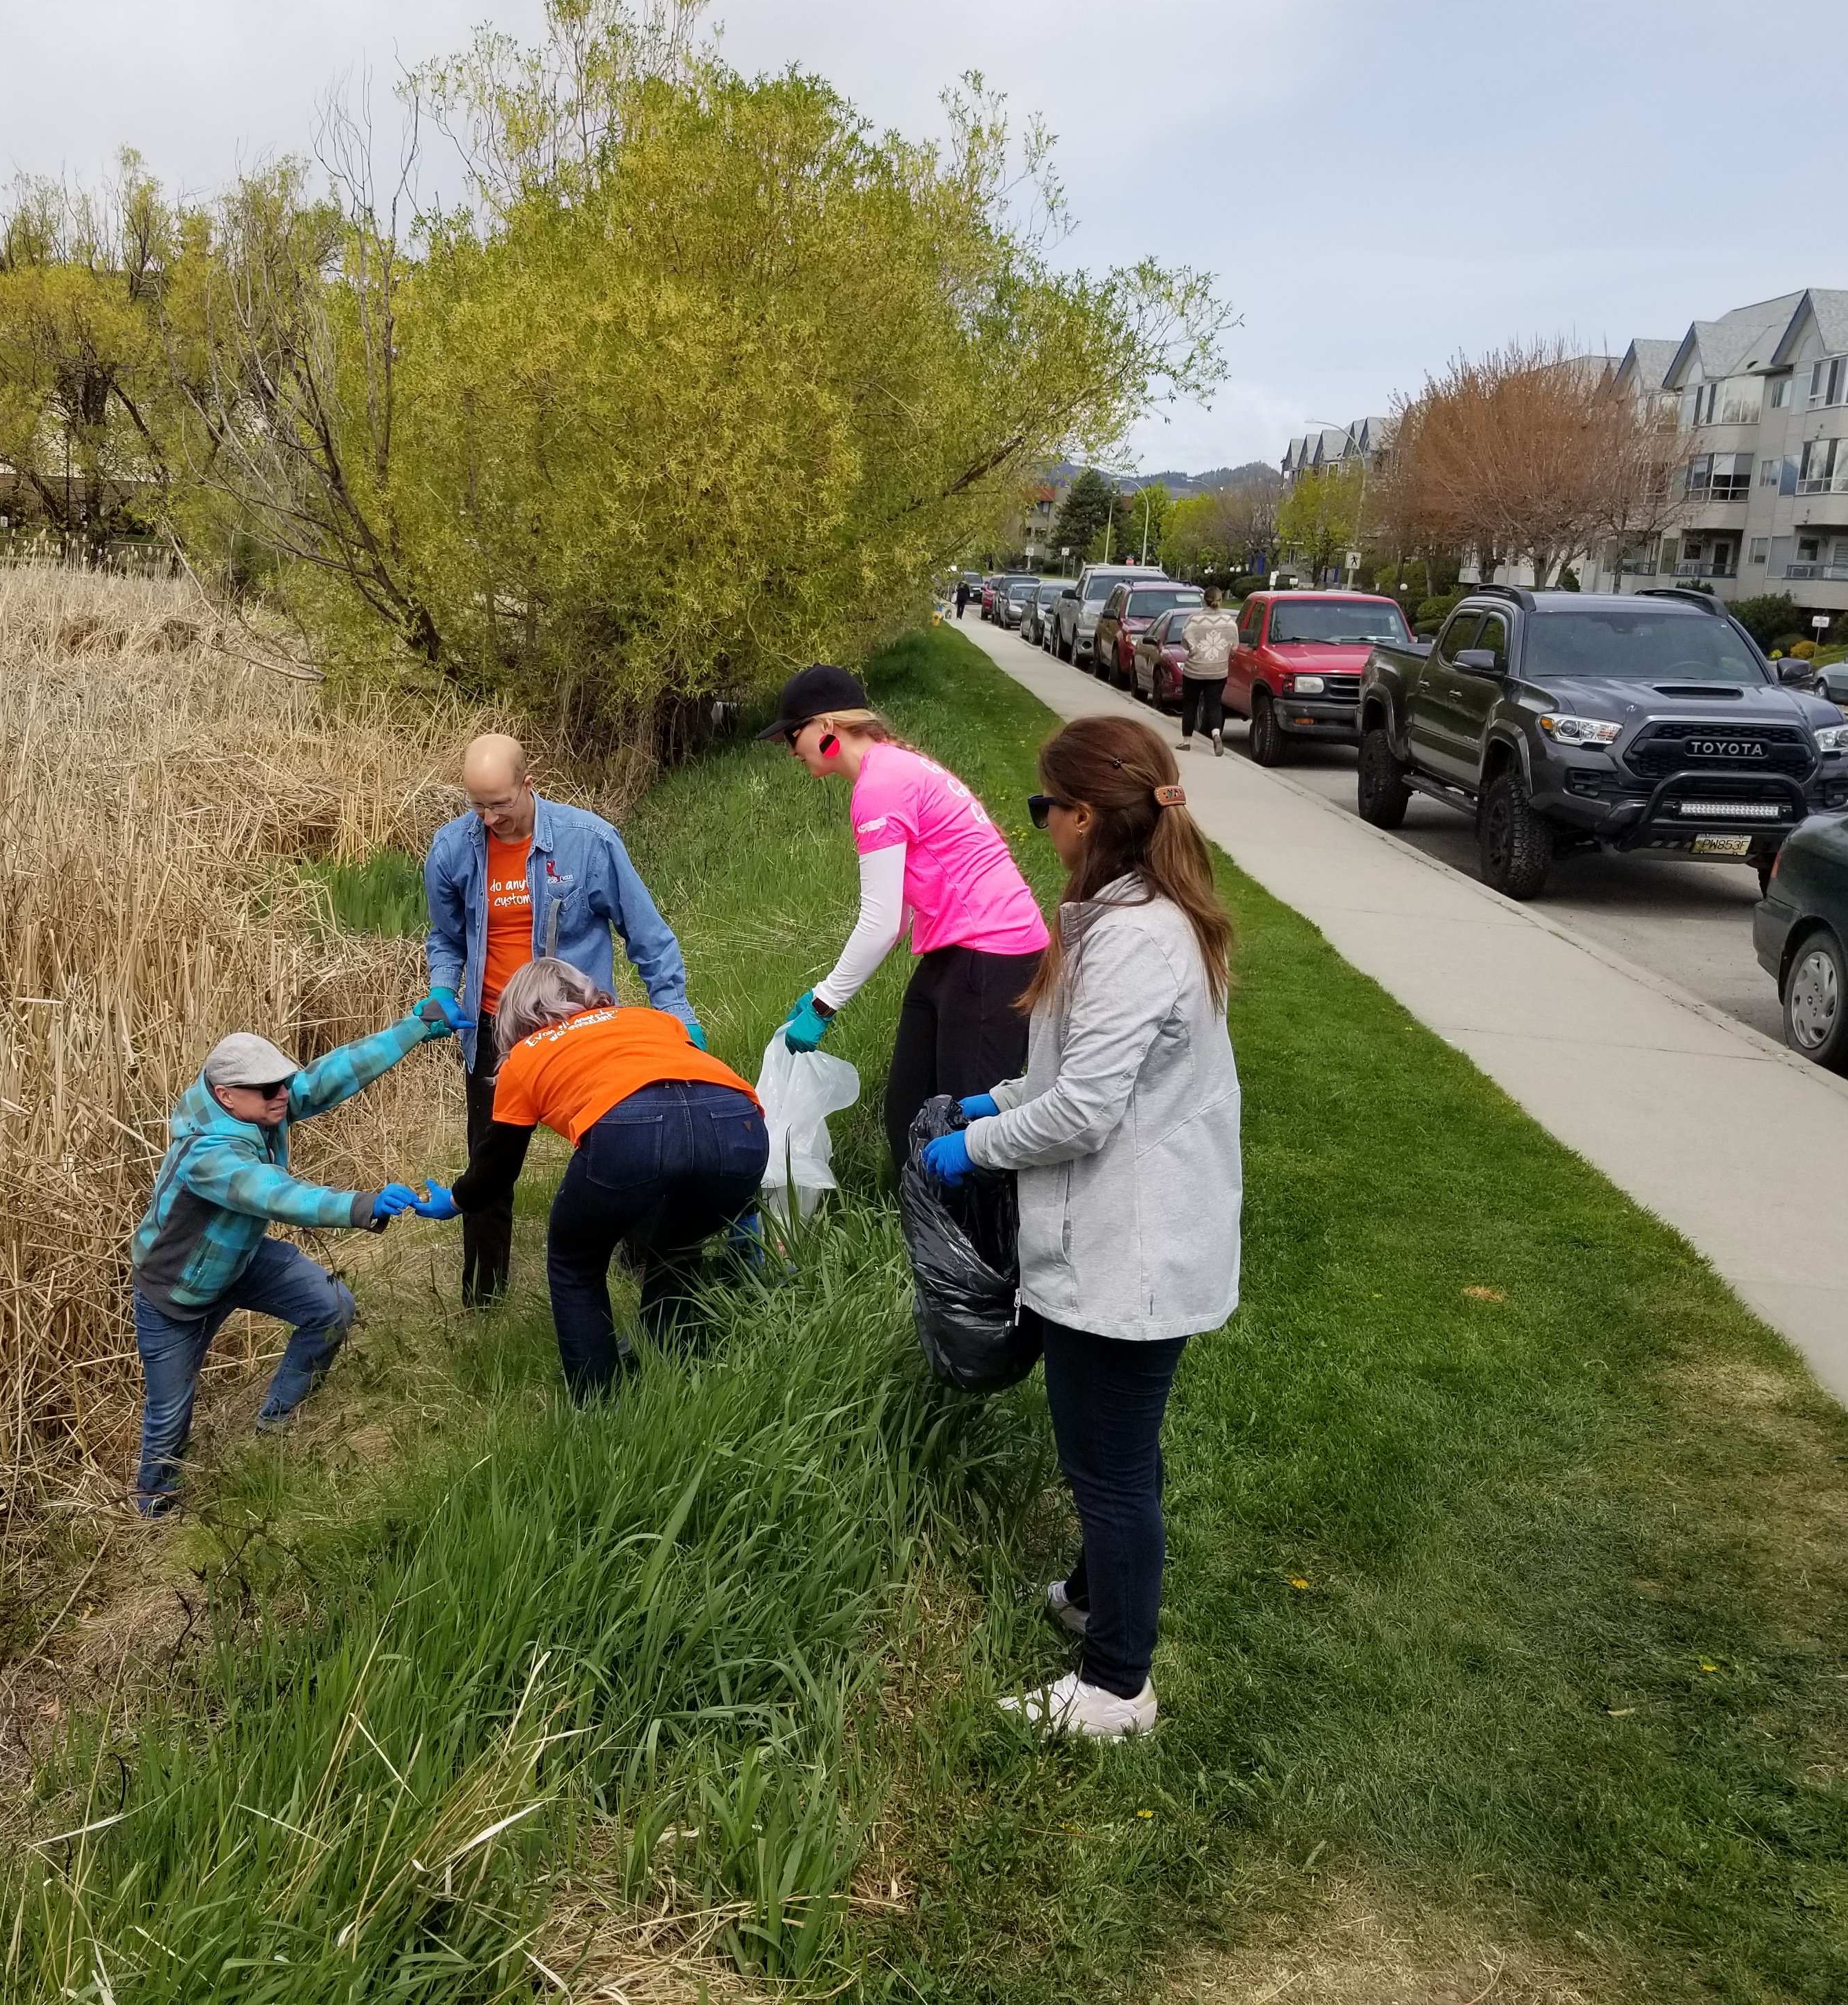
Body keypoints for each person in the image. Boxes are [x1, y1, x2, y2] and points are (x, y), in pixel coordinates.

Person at [919, 714, 1241, 1738]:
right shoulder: (1115, 915)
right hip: (1112, 1236)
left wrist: (971, 1151)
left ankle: (1115, 1687)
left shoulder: (1138, 940)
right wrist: (994, 1100)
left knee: (1110, 1470)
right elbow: (1068, 1077)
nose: (1038, 824)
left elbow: (1085, 1114)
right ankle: (1097, 1596)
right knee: (1113, 1454)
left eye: (1041, 807)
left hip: (1133, 1251)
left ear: (1087, 815)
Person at [125, 995, 465, 1515]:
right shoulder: (208, 1155)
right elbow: (278, 1195)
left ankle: (275, 1426)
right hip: (176, 1296)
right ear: (225, 1095)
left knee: (330, 1308)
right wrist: (361, 1204)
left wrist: (415, 1028)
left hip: (237, 1261)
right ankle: (154, 1508)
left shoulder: (261, 1105)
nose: (285, 1093)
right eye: (270, 1087)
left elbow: (331, 1075)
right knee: (169, 1416)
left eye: (283, 1081)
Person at [423, 733, 698, 1307]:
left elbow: (646, 935)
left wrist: (675, 1011)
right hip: (493, 1028)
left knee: (622, 1147)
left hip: (579, 1030)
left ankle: (642, 1267)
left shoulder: (589, 842)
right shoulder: (450, 850)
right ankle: (484, 1299)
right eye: (478, 805)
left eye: (500, 803)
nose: (490, 817)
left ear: (530, 782)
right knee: (491, 1164)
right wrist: (443, 989)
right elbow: (445, 938)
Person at [755, 664, 1050, 1173]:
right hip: (957, 950)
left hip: (994, 955)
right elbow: (908, 900)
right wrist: (826, 992)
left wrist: (824, 1005)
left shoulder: (881, 784)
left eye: (792, 733)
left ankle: (981, 1249)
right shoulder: (895, 767)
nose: (790, 749)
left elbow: (881, 921)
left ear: (826, 727)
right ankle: (926, 1235)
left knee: (964, 1131)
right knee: (910, 1114)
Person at [447, 958, 767, 1398]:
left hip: (631, 1128)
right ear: (583, 992)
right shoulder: (650, 1019)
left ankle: (598, 1403)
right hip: (740, 1125)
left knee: (574, 1262)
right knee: (679, 1243)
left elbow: (498, 1168)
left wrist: (458, 1200)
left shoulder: (525, 1056)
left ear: (515, 1016)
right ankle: (672, 1365)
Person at [1177, 585, 1235, 757]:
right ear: (1221, 600)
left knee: (1190, 704)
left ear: (1205, 600)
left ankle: (1187, 742)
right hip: (1218, 671)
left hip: (1194, 670)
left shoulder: (1193, 620)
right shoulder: (1229, 622)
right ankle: (1216, 735)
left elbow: (1185, 643)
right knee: (1214, 705)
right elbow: (1235, 648)